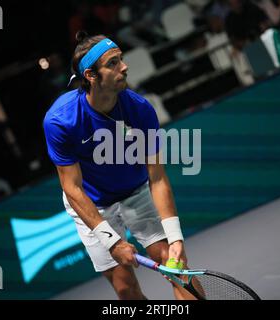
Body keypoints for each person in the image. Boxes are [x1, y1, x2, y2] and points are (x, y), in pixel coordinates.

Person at [43, 31, 193, 300]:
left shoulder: (140, 109)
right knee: (126, 289)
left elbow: (157, 177)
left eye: (121, 59)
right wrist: (111, 241)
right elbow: (72, 188)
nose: (124, 66)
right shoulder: (60, 121)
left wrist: (176, 238)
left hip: (136, 192)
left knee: (178, 270)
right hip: (92, 204)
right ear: (91, 75)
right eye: (113, 63)